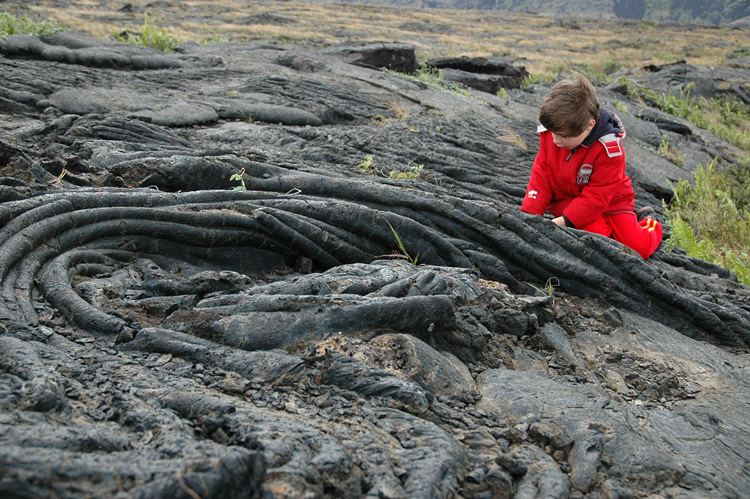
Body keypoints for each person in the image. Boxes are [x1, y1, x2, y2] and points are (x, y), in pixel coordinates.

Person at [520, 73, 663, 259]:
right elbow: (541, 175)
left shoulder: (609, 149)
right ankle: (600, 224)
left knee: (639, 248)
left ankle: (648, 220)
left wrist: (562, 222)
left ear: (589, 125)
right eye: (553, 133)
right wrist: (529, 217)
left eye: (563, 136)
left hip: (612, 200)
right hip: (567, 197)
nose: (555, 140)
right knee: (598, 237)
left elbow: (598, 195)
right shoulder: (552, 131)